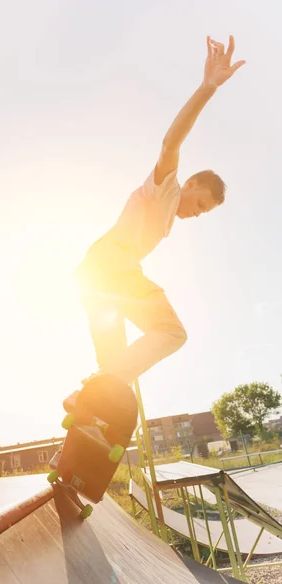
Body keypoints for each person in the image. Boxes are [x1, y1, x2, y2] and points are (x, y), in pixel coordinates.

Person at [65, 35, 245, 411]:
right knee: (172, 332)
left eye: (203, 213)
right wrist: (207, 88)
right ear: (191, 184)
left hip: (96, 278)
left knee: (111, 373)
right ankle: (90, 393)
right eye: (200, 205)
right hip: (112, 267)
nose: (196, 214)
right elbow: (170, 143)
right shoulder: (166, 188)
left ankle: (78, 437)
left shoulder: (167, 218)